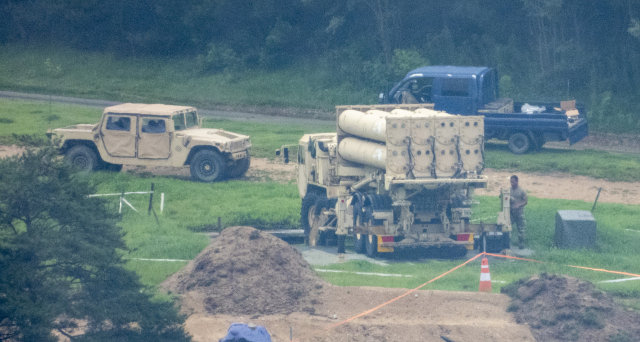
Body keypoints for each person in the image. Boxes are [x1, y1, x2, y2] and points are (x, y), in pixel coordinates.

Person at [509, 175, 528, 249]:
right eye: (511, 182)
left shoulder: (521, 191)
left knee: (521, 229)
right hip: (511, 213)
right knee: (509, 229)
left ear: (517, 181)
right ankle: (508, 243)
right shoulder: (509, 190)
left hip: (519, 214)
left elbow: (525, 202)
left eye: (513, 182)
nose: (512, 183)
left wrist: (519, 205)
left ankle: (521, 243)